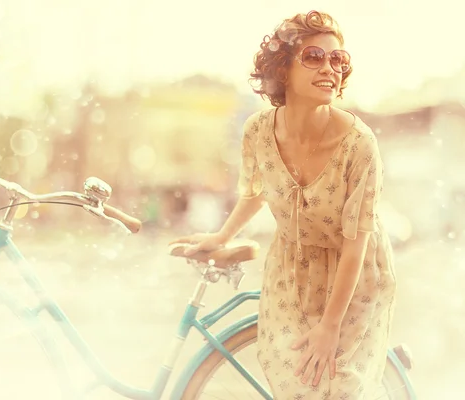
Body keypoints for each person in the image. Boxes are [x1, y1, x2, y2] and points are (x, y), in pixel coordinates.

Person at [170, 10, 397, 399]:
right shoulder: (258, 130)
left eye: (338, 59)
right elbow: (258, 190)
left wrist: (330, 325)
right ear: (283, 69)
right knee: (295, 387)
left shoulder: (359, 144)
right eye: (313, 56)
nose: (330, 68)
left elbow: (356, 242)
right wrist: (222, 235)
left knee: (338, 387)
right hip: (290, 270)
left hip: (354, 275)